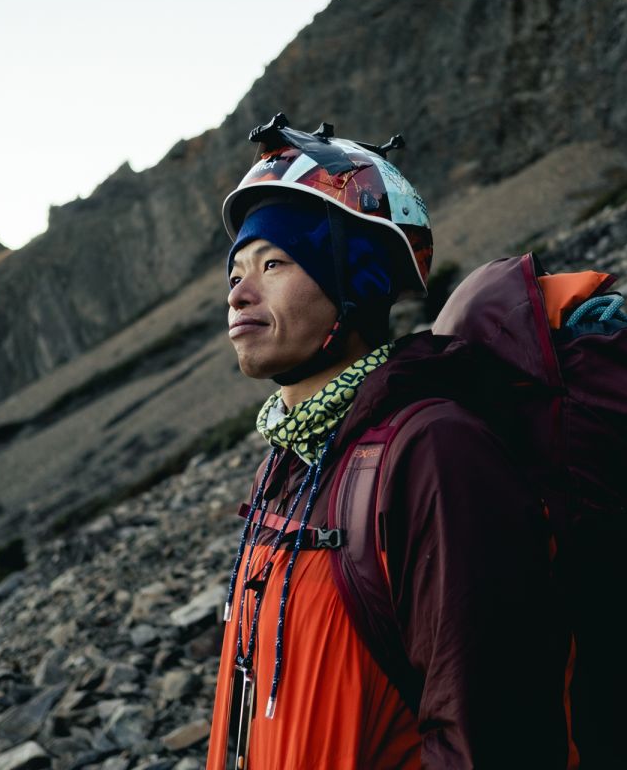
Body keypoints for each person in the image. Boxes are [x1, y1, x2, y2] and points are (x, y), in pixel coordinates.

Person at [206, 115, 566, 769]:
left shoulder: (434, 451)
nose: (240, 291)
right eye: (235, 272)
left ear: (357, 285)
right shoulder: (293, 459)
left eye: (275, 263)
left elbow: (487, 735)